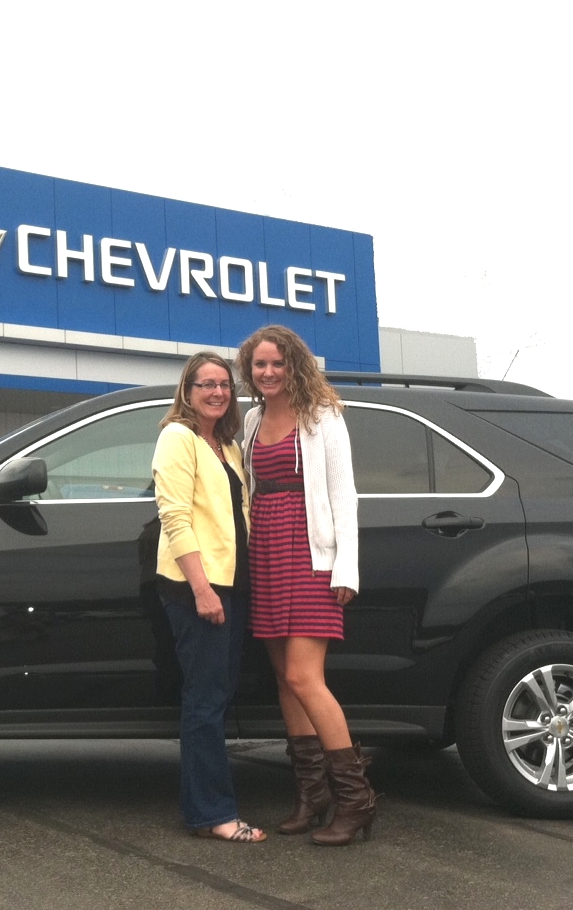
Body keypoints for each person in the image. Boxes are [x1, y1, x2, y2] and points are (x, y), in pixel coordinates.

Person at [235, 324, 376, 846]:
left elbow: (345, 495)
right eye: (259, 365)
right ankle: (312, 796)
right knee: (283, 678)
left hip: (312, 553)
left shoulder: (323, 416)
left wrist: (347, 569)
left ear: (295, 365)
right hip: (265, 551)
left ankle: (356, 802)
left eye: (277, 363)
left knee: (303, 676)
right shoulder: (251, 419)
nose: (268, 373)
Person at [151, 351, 266, 843]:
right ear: (187, 390)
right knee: (204, 701)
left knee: (215, 697)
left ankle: (208, 807)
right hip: (199, 589)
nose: (217, 392)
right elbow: (173, 518)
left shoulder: (227, 446)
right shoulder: (178, 438)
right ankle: (212, 814)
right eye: (206, 384)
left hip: (231, 586)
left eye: (224, 384)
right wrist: (202, 590)